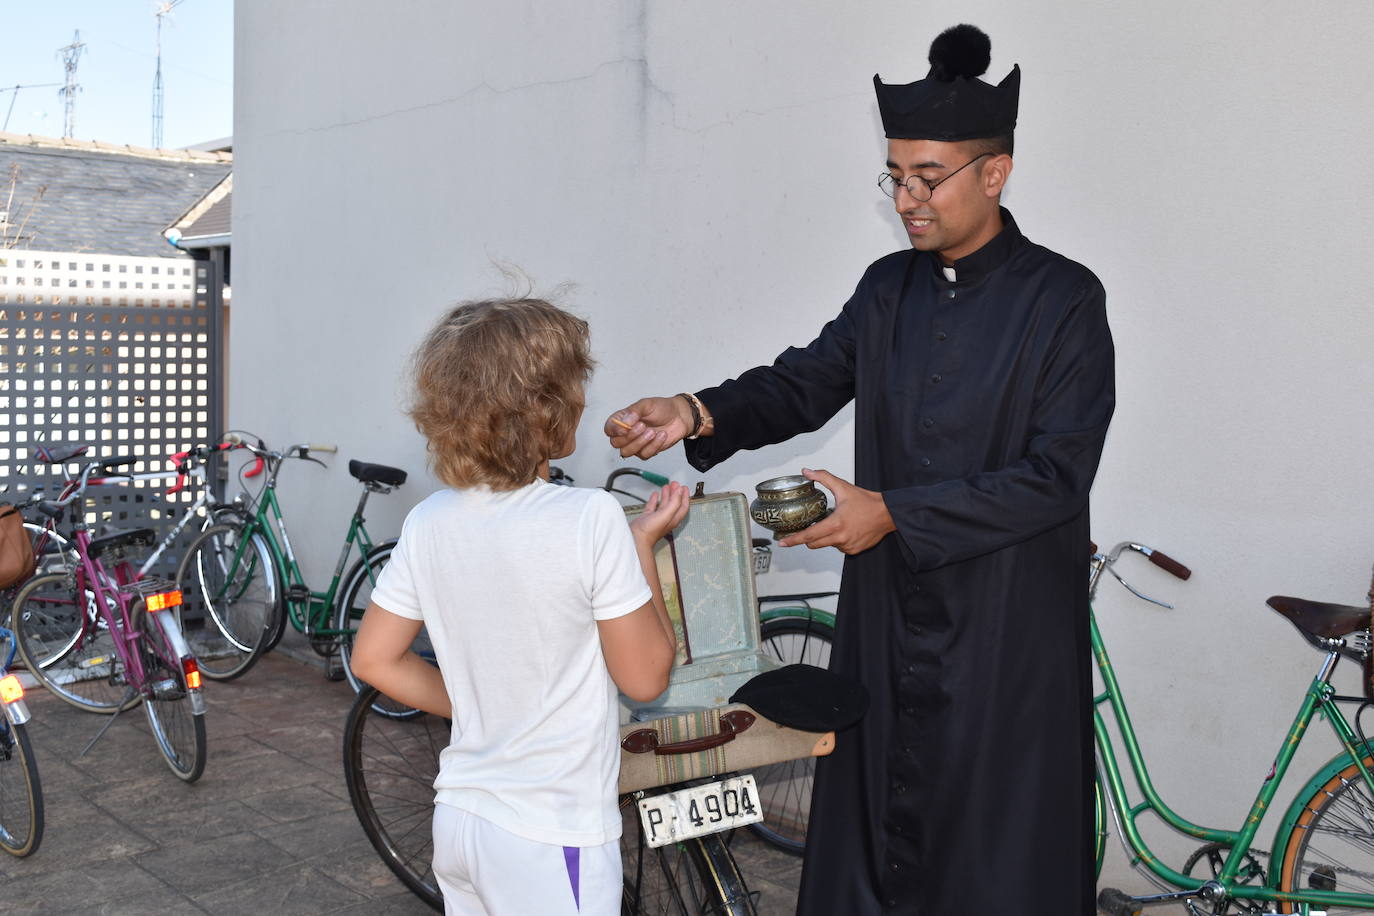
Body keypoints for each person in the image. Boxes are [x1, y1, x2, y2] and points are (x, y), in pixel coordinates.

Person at [604, 24, 1114, 916]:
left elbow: (1055, 477)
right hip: (888, 621)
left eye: (928, 178)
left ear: (993, 173)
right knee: (879, 831)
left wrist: (894, 513)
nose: (907, 198)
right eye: (896, 177)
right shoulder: (888, 289)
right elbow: (805, 380)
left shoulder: (1065, 300)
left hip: (1006, 632)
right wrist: (695, 409)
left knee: (995, 846)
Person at [350, 297, 689, 916]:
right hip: (550, 833)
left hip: (460, 820)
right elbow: (646, 677)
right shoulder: (589, 517)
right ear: (550, 410)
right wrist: (641, 543)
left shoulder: (429, 521)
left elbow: (374, 660)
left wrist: (486, 708)